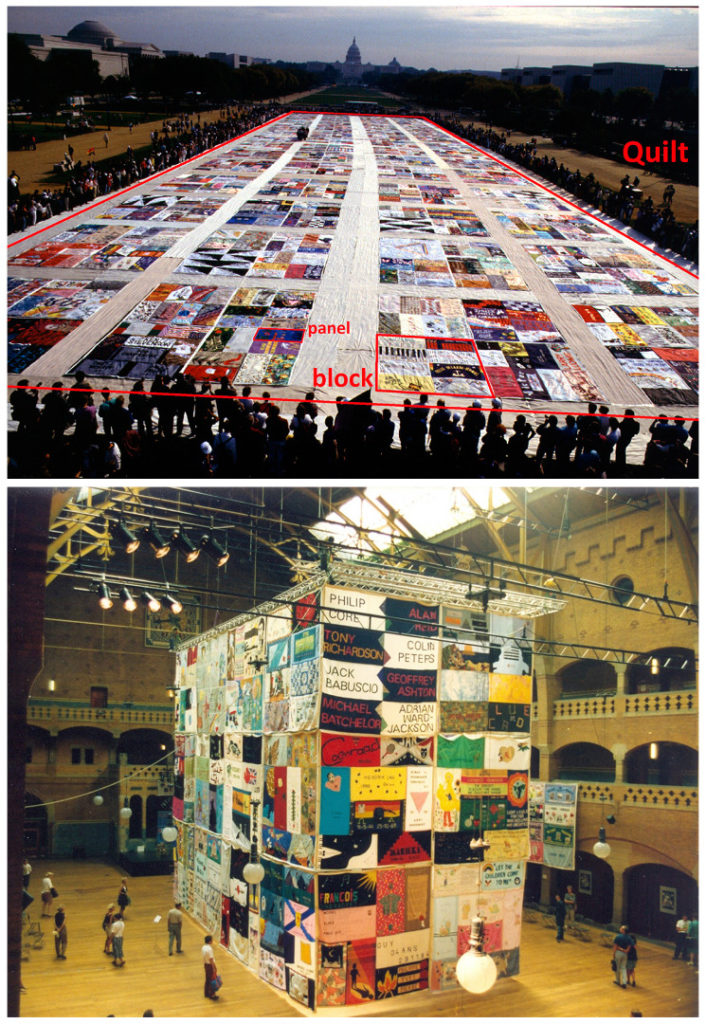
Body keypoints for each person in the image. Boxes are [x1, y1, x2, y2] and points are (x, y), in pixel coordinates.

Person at [202, 934, 219, 999]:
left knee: (207, 979)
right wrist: (214, 967)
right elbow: (211, 959)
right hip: (210, 965)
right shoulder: (209, 949)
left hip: (205, 964)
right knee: (212, 979)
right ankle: (212, 994)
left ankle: (206, 993)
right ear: (209, 941)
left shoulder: (203, 947)